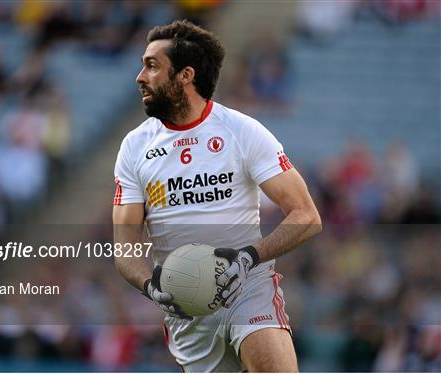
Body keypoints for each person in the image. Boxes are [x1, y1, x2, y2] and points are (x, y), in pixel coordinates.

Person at [113, 20, 321, 372]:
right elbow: (125, 246)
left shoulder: (242, 131)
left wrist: (247, 258)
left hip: (247, 285)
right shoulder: (134, 147)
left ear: (185, 76)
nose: (139, 76)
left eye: (151, 66)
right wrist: (150, 287)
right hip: (185, 307)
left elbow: (306, 216)